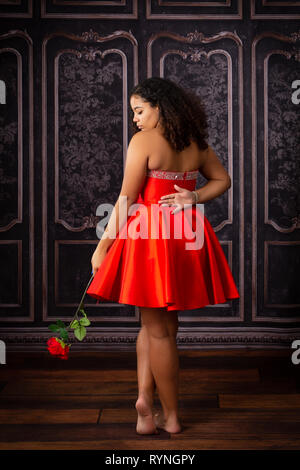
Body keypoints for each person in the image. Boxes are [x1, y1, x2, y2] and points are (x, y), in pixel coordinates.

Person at [87, 77, 240, 435]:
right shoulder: (195, 143)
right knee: (159, 326)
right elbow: (223, 180)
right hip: (186, 237)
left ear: (160, 108)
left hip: (151, 239)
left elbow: (125, 201)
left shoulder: (143, 142)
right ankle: (144, 403)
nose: (136, 120)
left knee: (158, 332)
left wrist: (103, 245)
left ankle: (170, 417)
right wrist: (194, 198)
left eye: (140, 111)